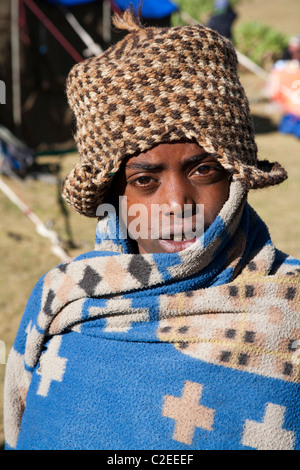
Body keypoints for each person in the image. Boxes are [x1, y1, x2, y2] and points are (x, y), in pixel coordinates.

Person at [4, 10, 300, 450]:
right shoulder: (63, 298)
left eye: (204, 170)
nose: (176, 204)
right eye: (144, 180)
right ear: (112, 196)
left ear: (238, 177)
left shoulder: (289, 308)